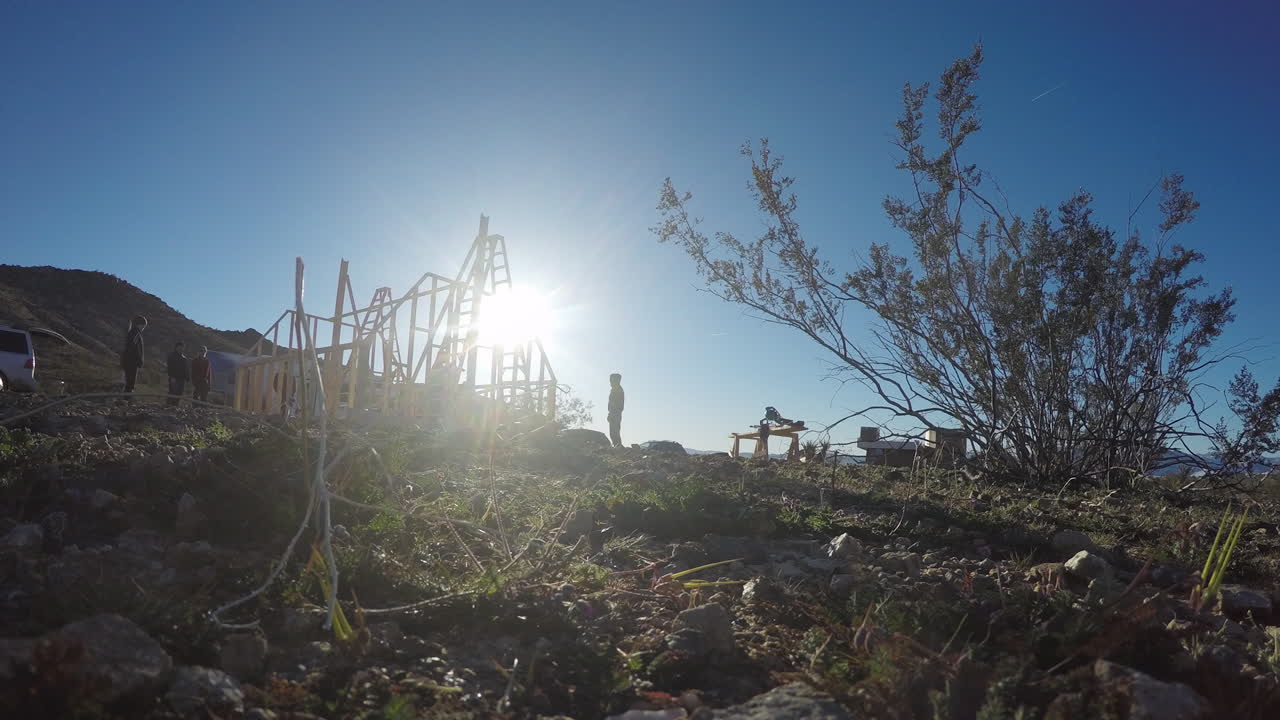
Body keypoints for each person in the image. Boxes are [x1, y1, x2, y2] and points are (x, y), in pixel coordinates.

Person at [120, 315, 147, 398]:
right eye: (143, 325)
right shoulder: (135, 333)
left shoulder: (133, 333)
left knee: (129, 382)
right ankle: (126, 400)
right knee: (130, 382)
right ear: (139, 324)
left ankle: (125, 399)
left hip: (129, 361)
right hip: (131, 362)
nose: (144, 328)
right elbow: (134, 348)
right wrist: (139, 361)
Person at [166, 342, 190, 406]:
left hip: (182, 379)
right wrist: (171, 377)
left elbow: (186, 369)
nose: (181, 349)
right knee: (172, 393)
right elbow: (169, 367)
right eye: (179, 347)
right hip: (174, 378)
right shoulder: (172, 356)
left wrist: (187, 378)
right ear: (176, 347)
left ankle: (175, 406)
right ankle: (168, 406)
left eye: (182, 347)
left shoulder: (184, 358)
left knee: (179, 394)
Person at [607, 372, 625, 448]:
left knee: (614, 432)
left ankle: (618, 447)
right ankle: (617, 447)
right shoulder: (614, 389)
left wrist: (612, 414)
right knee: (613, 433)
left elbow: (618, 405)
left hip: (615, 413)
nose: (610, 382)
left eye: (612, 380)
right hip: (613, 413)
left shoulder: (618, 390)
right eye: (610, 380)